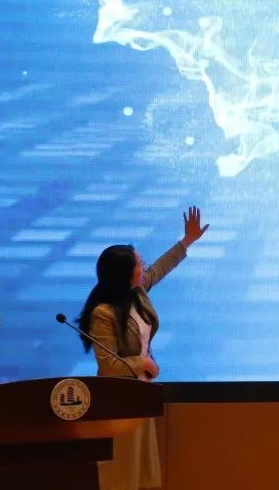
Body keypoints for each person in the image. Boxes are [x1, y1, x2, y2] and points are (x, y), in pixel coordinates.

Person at [77, 206, 209, 490]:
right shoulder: (103, 313)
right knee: (121, 473)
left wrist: (187, 240)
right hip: (116, 400)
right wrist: (144, 363)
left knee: (143, 472)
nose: (144, 266)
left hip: (140, 393)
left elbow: (161, 266)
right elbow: (109, 366)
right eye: (139, 263)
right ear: (124, 273)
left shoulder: (137, 292)